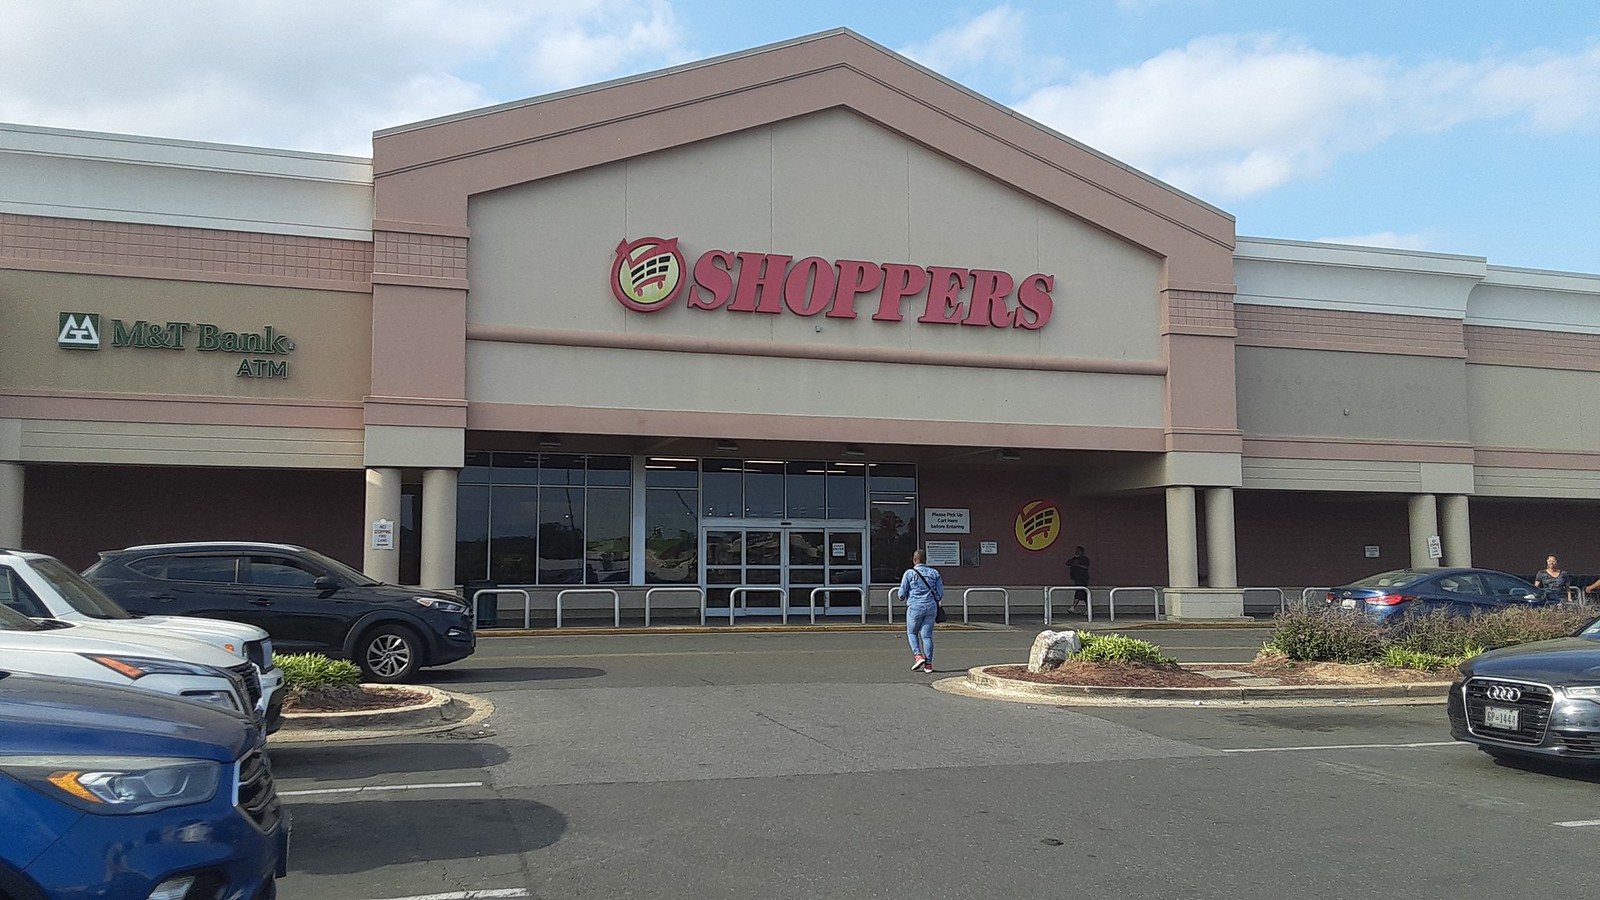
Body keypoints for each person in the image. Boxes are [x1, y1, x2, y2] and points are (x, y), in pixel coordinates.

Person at [898, 548, 944, 673]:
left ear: (914, 560)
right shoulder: (935, 573)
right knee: (927, 636)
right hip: (931, 607)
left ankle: (918, 656)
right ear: (925, 560)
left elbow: (901, 594)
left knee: (912, 633)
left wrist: (904, 596)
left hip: (915, 607)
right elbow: (940, 593)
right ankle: (928, 665)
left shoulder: (909, 573)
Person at [1066, 546, 1090, 611]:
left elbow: (1086, 567)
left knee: (1079, 592)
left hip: (1082, 579)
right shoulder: (1074, 558)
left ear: (1081, 552)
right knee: (1084, 594)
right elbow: (1068, 563)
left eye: (1078, 551)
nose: (1076, 552)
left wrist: (1078, 565)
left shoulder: (1084, 559)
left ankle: (1073, 607)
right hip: (1076, 578)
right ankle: (1089, 609)